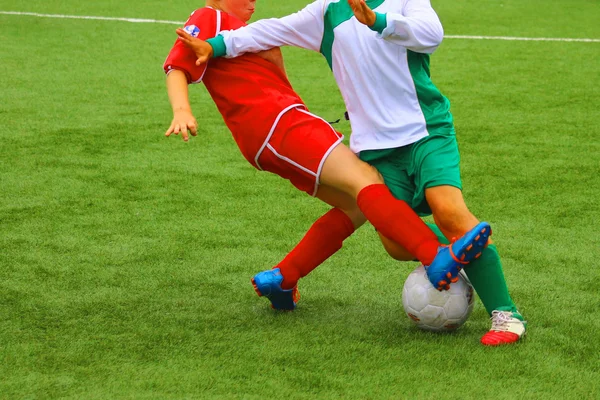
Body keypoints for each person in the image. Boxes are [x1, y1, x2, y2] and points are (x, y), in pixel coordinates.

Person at [172, 0, 525, 346]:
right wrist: (215, 45)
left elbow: (431, 35)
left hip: (426, 129)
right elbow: (270, 30)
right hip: (377, 147)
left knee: (448, 211)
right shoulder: (326, 11)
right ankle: (456, 252)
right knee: (394, 242)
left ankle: (505, 313)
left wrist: (377, 21)